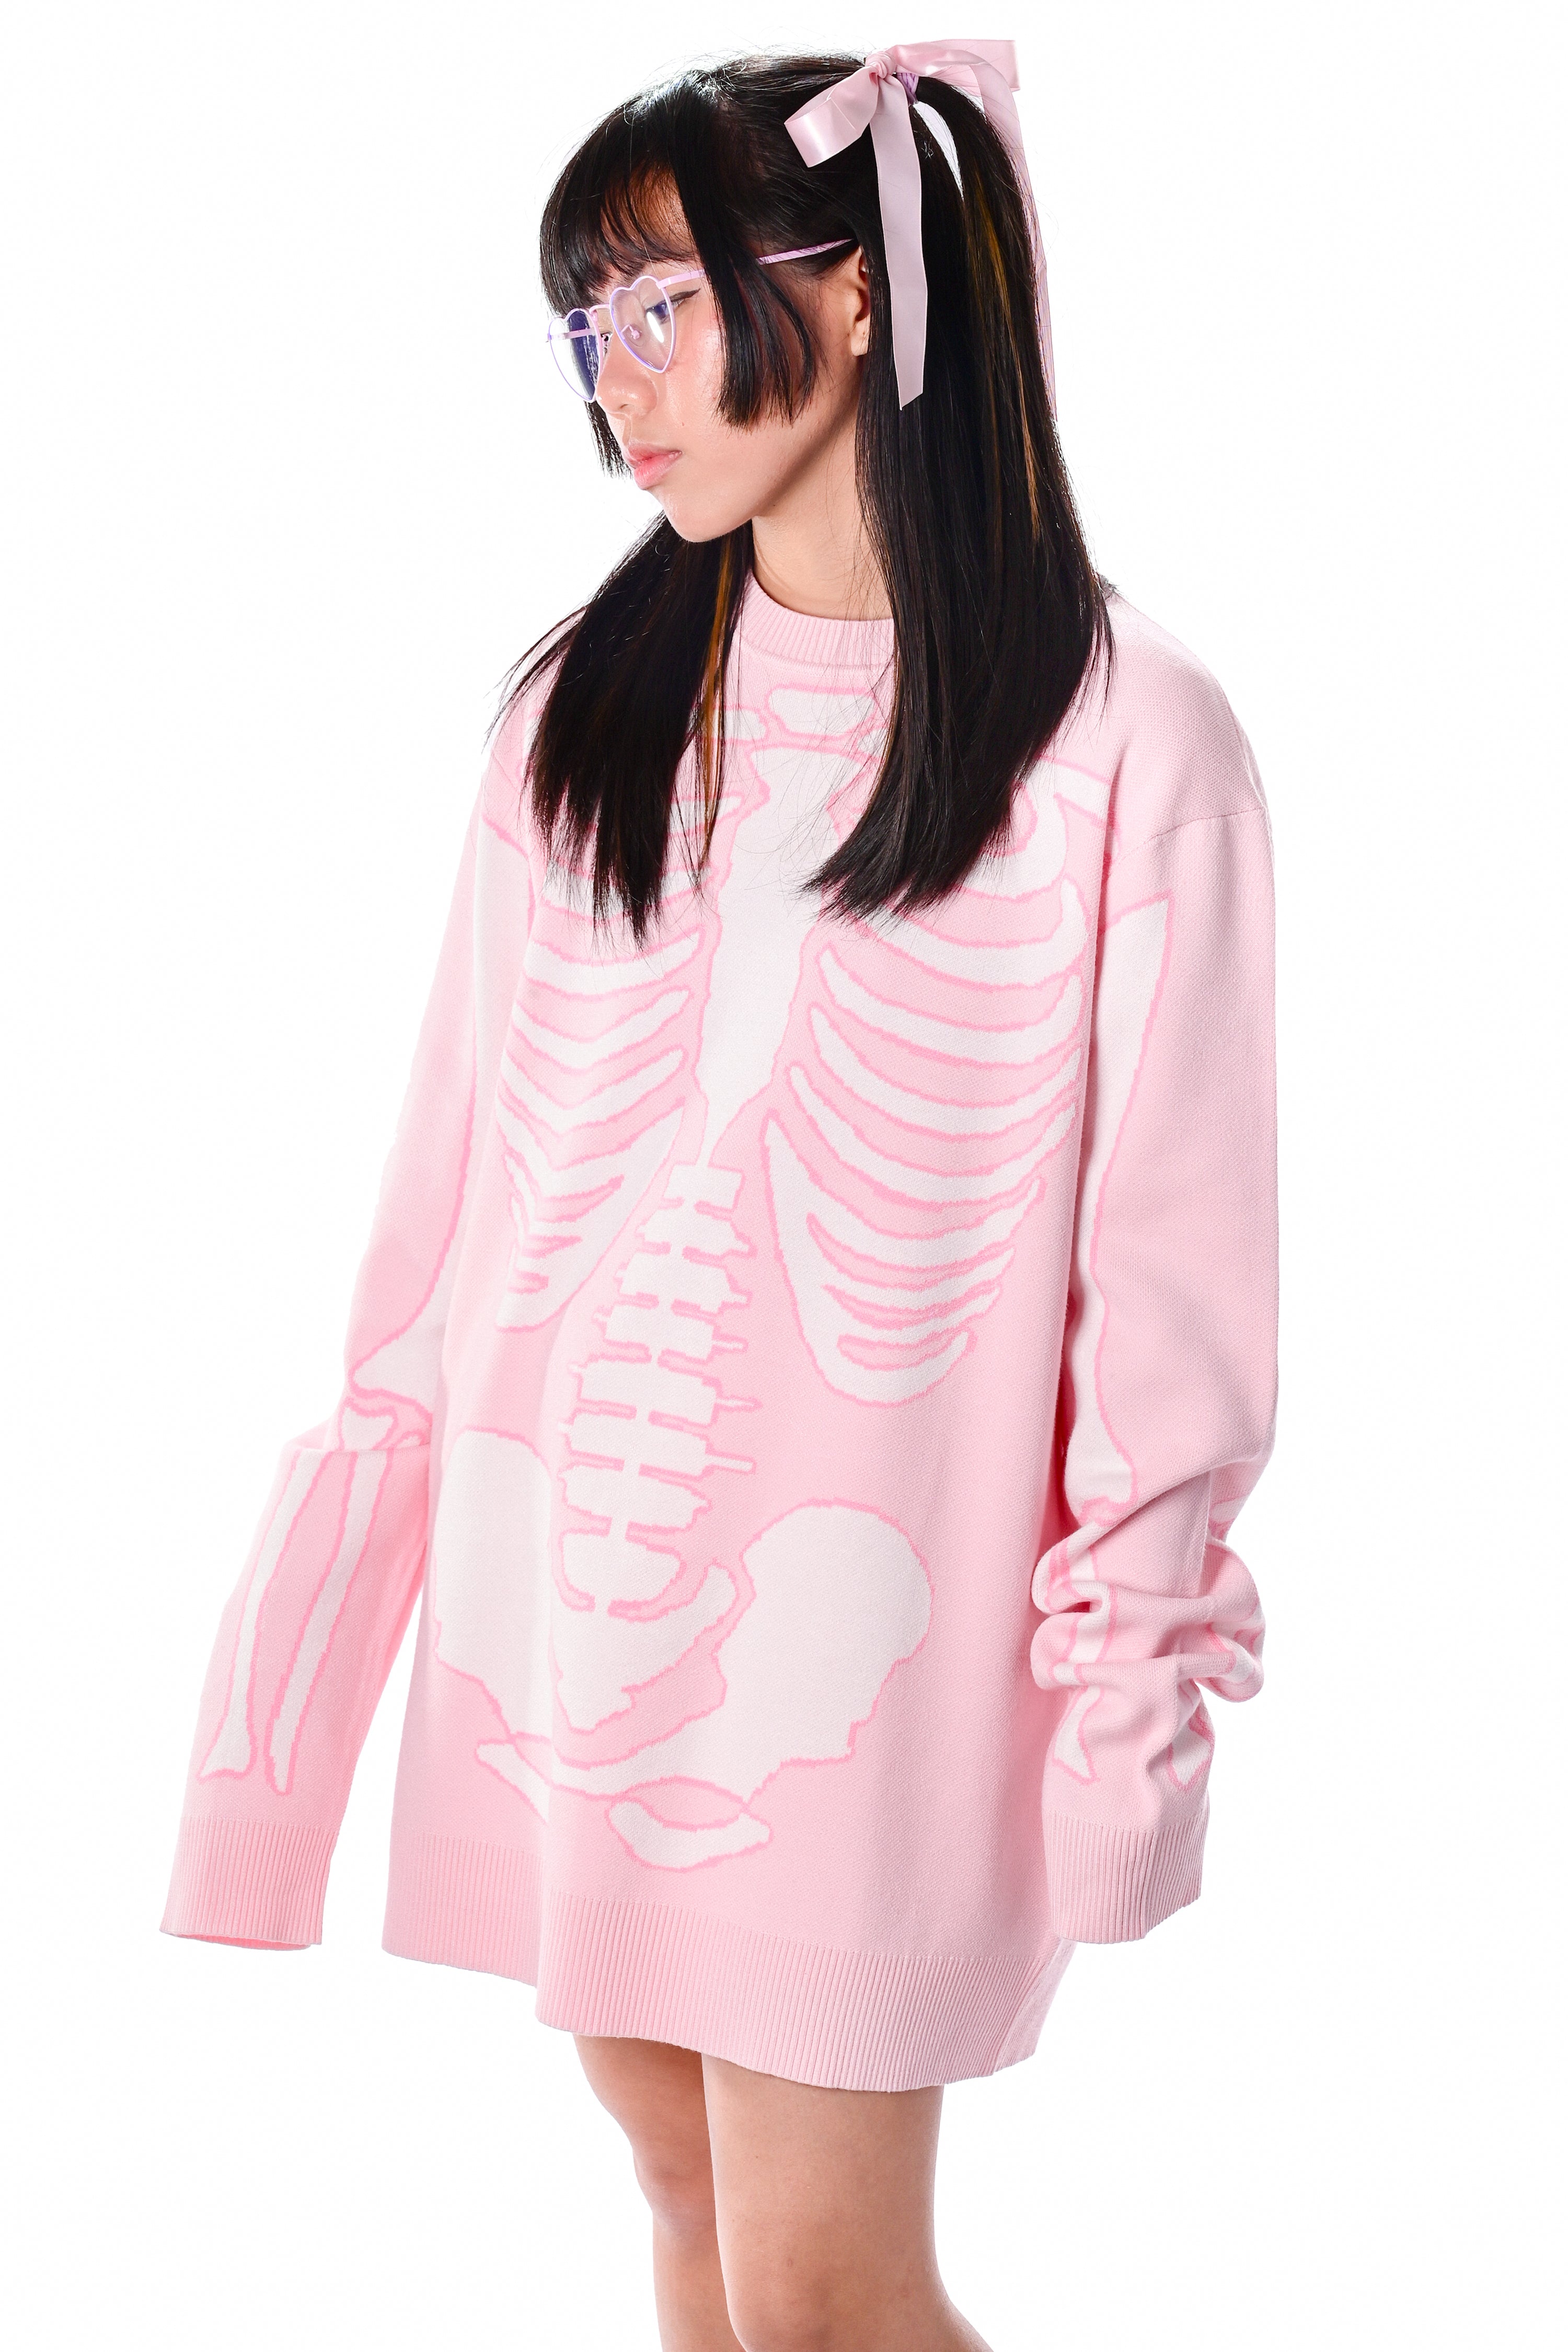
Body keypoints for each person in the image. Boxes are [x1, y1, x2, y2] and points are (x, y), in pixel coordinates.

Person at [159, 39, 1278, 2352]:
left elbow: (1169, 1287)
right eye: (585, 328)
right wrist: (288, 1716)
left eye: (661, 308)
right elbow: (449, 1220)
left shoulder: (1124, 740)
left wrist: (1127, 1727)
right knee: (682, 2191)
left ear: (853, 294)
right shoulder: (581, 712)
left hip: (869, 1639)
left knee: (831, 2290)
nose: (616, 385)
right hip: (569, 1609)